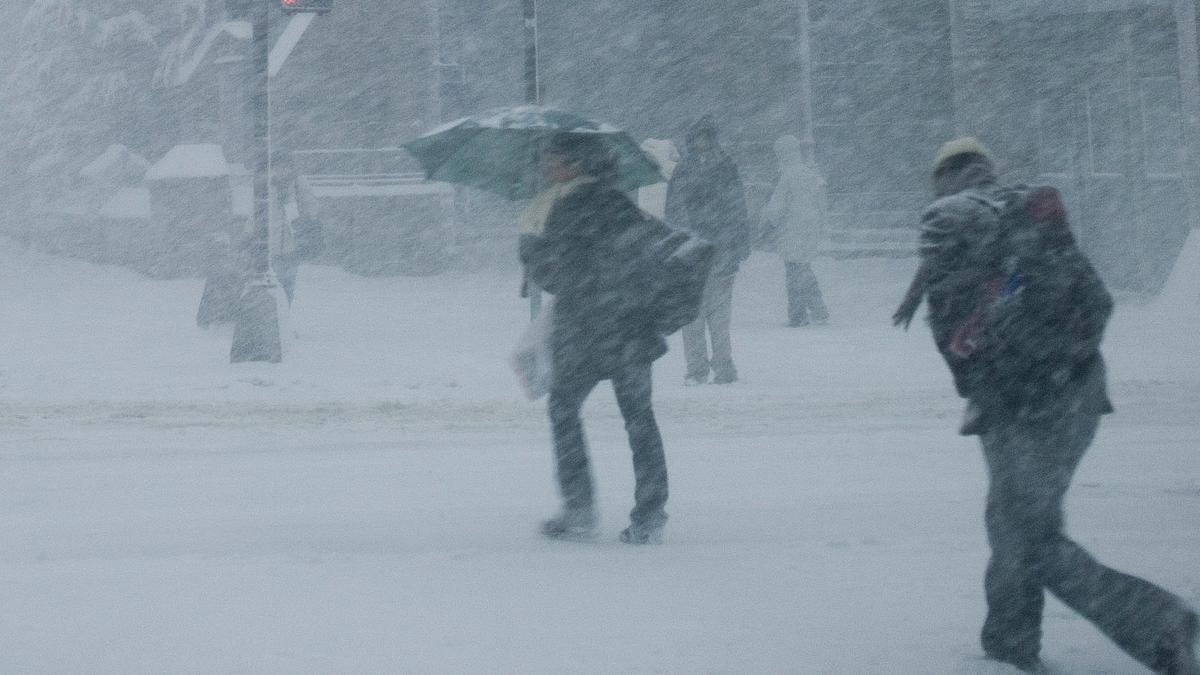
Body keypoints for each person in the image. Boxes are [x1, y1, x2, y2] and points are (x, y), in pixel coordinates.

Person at [894, 138, 1199, 674]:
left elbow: (953, 331)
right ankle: (1009, 638)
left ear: (943, 179)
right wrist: (1062, 358)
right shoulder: (1032, 211)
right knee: (1016, 518)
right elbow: (1097, 299)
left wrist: (989, 382)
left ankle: (1157, 622)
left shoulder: (948, 223)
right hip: (1078, 389)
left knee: (1029, 537)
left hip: (1020, 403)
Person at [519, 133, 671, 545]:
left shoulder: (566, 208)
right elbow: (642, 262)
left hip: (588, 332)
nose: (546, 167)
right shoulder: (620, 203)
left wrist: (530, 249)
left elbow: (560, 276)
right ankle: (650, 513)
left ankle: (580, 508)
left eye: (552, 159)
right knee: (639, 419)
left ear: (574, 164)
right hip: (630, 331)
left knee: (564, 411)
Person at [665, 115, 750, 385]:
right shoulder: (723, 167)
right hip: (705, 251)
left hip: (707, 251)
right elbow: (737, 209)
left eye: (705, 138)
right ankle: (706, 367)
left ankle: (710, 367)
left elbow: (675, 212)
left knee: (709, 316)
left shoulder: (690, 170)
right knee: (703, 316)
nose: (702, 144)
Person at [761, 134, 829, 327]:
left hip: (792, 230)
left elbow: (776, 208)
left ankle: (798, 316)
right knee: (804, 269)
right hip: (809, 229)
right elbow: (821, 202)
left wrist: (767, 218)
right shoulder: (810, 173)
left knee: (794, 273)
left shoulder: (787, 176)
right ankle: (819, 310)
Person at [261, 150, 321, 304]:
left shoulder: (298, 183)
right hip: (272, 245)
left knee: (287, 285)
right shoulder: (268, 186)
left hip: (292, 244)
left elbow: (312, 206)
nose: (280, 171)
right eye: (276, 167)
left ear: (290, 167)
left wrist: (304, 218)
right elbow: (259, 212)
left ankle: (284, 316)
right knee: (273, 285)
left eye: (284, 167)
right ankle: (277, 317)